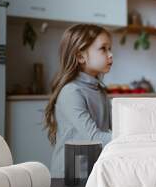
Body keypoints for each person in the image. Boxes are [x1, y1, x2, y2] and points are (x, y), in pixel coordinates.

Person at [44, 24, 113, 178]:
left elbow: (116, 126)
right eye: (103, 49)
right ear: (80, 56)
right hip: (69, 176)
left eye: (110, 48)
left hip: (91, 173)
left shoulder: (99, 90)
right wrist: (129, 139)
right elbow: (94, 138)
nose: (110, 54)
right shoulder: (71, 92)